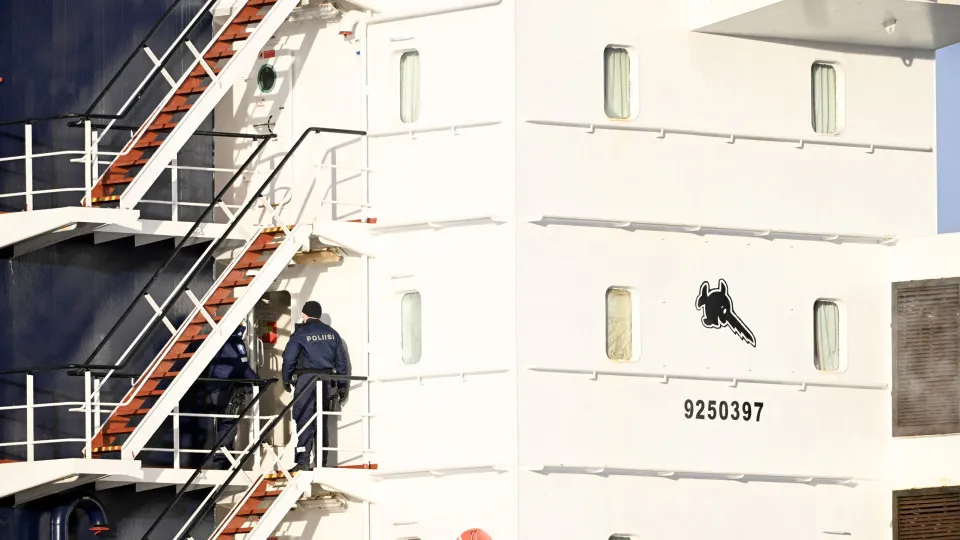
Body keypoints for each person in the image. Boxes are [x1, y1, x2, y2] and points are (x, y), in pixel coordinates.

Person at [281, 301, 351, 472]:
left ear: (304, 314)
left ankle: (303, 461)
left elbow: (289, 359)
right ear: (319, 315)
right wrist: (343, 387)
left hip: (306, 381)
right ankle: (321, 462)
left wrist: (286, 379)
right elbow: (342, 363)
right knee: (321, 421)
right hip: (326, 381)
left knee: (304, 419)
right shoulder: (332, 334)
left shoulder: (300, 333)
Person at [205, 325, 259, 470]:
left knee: (223, 423)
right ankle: (221, 460)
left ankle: (224, 457)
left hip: (216, 386)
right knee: (228, 423)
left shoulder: (221, 340)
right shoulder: (234, 341)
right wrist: (257, 381)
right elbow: (242, 366)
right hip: (226, 388)